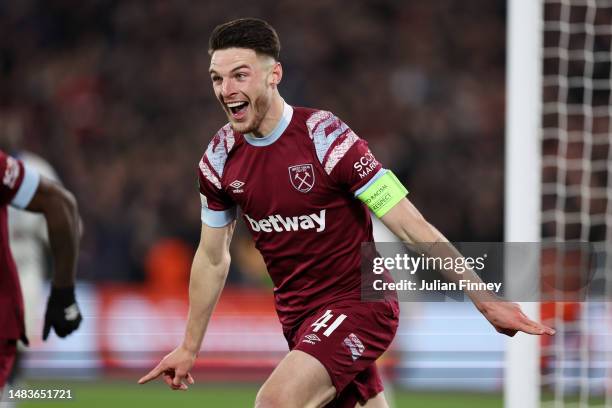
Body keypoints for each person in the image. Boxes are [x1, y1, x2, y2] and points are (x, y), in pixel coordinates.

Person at [138, 18, 555, 408]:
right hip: (300, 320)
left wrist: (484, 299)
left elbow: (409, 224)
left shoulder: (327, 138)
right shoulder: (218, 159)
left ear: (273, 75)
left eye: (240, 75)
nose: (226, 89)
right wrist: (190, 347)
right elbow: (213, 256)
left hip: (360, 304)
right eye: (217, 78)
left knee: (275, 403)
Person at [0, 149, 83, 396]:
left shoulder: (35, 166)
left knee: (18, 336)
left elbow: (62, 208)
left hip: (23, 257)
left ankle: (9, 389)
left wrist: (63, 292)